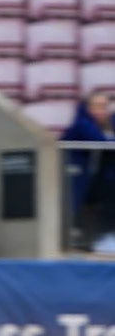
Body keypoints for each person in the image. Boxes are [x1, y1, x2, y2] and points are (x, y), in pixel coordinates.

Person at [62, 91, 115, 254]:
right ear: (88, 108)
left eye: (105, 107)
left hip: (89, 178)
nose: (102, 111)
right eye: (97, 106)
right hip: (72, 177)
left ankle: (95, 240)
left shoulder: (101, 125)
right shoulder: (83, 123)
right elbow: (101, 143)